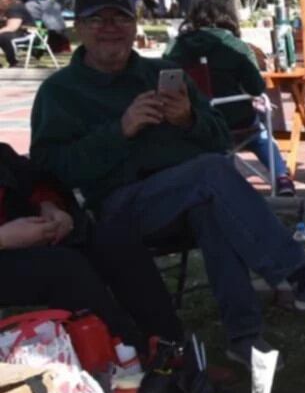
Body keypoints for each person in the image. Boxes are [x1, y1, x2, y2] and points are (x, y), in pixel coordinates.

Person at [30, 0, 305, 367]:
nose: (110, 28)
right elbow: (50, 169)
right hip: (117, 210)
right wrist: (119, 130)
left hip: (185, 195)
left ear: (133, 25)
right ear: (80, 29)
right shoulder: (60, 93)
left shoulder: (161, 74)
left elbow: (222, 137)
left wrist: (188, 119)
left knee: (211, 202)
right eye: (97, 19)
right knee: (210, 175)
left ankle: (245, 339)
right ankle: (299, 276)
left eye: (120, 18)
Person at [0, 141, 183, 354]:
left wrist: (50, 207)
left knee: (114, 240)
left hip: (21, 238)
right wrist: (4, 238)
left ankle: (170, 346)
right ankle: (130, 359)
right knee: (62, 268)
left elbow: (30, 178)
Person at [165, 0, 296, 196]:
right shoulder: (236, 46)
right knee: (260, 134)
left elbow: (166, 80)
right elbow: (256, 88)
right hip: (235, 120)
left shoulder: (177, 46)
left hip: (191, 122)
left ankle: (224, 180)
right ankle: (281, 178)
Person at [0, 0, 28, 67]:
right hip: (14, 33)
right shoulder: (4, 8)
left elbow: (12, 27)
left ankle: (13, 62)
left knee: (3, 36)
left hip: (26, 33)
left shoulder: (15, 7)